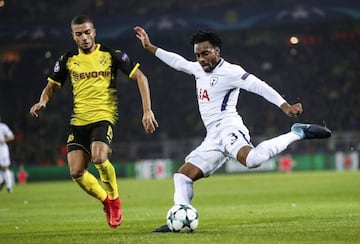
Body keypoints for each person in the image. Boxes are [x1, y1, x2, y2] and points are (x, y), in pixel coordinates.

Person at [133, 26, 331, 232]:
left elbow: (259, 86)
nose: (201, 59)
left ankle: (296, 133)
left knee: (252, 160)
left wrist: (285, 106)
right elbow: (177, 62)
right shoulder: (197, 69)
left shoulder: (231, 72)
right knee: (182, 176)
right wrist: (149, 47)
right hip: (212, 137)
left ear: (217, 51)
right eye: (198, 55)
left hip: (229, 127)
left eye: (205, 53)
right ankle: (179, 217)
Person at [29, 15, 159, 229]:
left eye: (87, 32)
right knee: (76, 172)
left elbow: (141, 78)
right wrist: (43, 101)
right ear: (73, 36)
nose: (84, 37)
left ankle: (115, 201)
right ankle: (106, 201)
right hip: (78, 120)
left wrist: (147, 111)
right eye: (79, 34)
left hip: (103, 117)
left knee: (99, 157)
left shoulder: (110, 55)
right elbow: (52, 86)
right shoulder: (67, 59)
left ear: (94, 32)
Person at [0, 115, 15, 193]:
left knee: (5, 167)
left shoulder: (3, 127)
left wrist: (3, 140)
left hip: (2, 149)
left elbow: (11, 136)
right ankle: (1, 180)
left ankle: (9, 186)